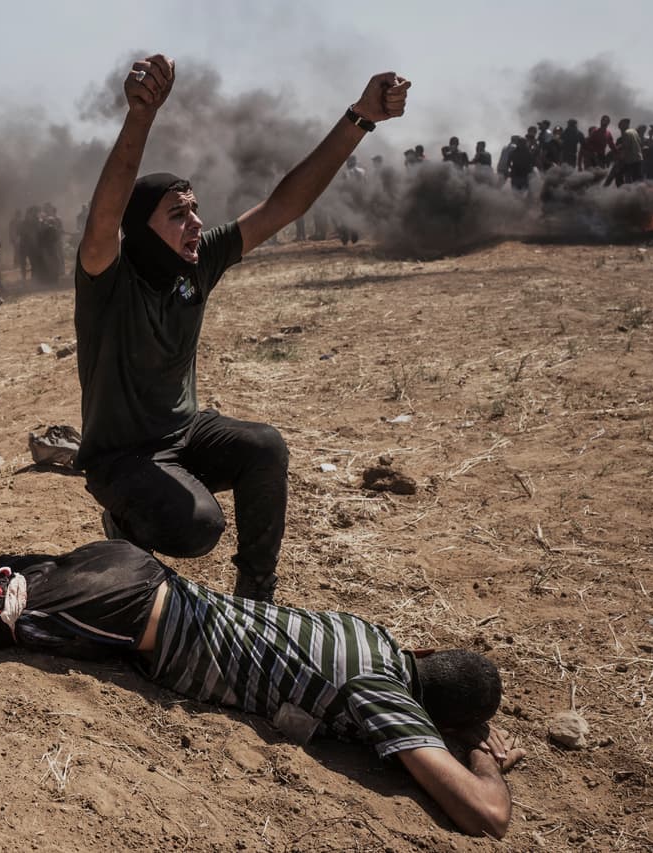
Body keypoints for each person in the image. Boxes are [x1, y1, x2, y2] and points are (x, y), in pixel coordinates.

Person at [0, 537, 525, 838]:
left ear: (424, 646)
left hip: (135, 570)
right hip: (136, 614)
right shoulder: (383, 691)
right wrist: (484, 759)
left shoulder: (373, 636)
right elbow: (483, 815)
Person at [72, 54, 409, 601]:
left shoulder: (198, 261)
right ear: (141, 230)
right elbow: (104, 216)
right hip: (121, 457)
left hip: (184, 433)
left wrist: (360, 118)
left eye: (196, 209)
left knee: (265, 447)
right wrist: (141, 115)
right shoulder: (107, 276)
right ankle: (126, 527)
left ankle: (255, 597)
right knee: (199, 526)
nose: (196, 223)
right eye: (178, 214)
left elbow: (283, 205)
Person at [616, 118, 645, 185]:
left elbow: (626, 148)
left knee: (619, 175)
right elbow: (640, 143)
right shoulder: (634, 131)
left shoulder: (626, 133)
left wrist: (620, 158)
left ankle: (624, 192)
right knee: (636, 179)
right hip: (638, 159)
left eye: (621, 124)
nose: (620, 126)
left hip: (632, 160)